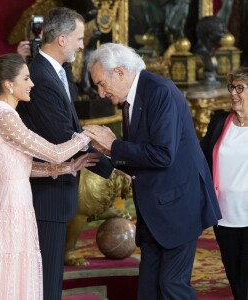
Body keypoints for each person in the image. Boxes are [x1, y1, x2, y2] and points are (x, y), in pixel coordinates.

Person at [83, 43, 222, 300]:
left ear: (121, 72)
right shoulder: (130, 100)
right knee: (148, 290)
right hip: (154, 213)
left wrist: (114, 145)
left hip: (178, 208)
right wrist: (98, 155)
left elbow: (162, 155)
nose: (101, 93)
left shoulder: (160, 92)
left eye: (102, 84)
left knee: (172, 287)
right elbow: (137, 158)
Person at [0, 53, 99, 299]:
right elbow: (54, 152)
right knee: (11, 273)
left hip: (13, 201)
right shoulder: (6, 117)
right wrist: (87, 135)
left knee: (10, 273)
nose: (32, 84)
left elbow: (21, 169)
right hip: (11, 207)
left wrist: (68, 168)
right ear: (9, 84)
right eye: (26, 78)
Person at [16, 8, 114, 300]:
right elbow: (63, 136)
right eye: (79, 38)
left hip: (55, 191)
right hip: (47, 193)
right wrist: (115, 165)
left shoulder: (54, 72)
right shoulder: (41, 77)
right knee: (46, 282)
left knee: (51, 277)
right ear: (61, 39)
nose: (82, 45)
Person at [200, 67, 248, 300]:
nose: (234, 93)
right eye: (232, 87)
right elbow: (199, 158)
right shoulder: (220, 122)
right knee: (235, 276)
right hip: (224, 217)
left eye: (241, 88)